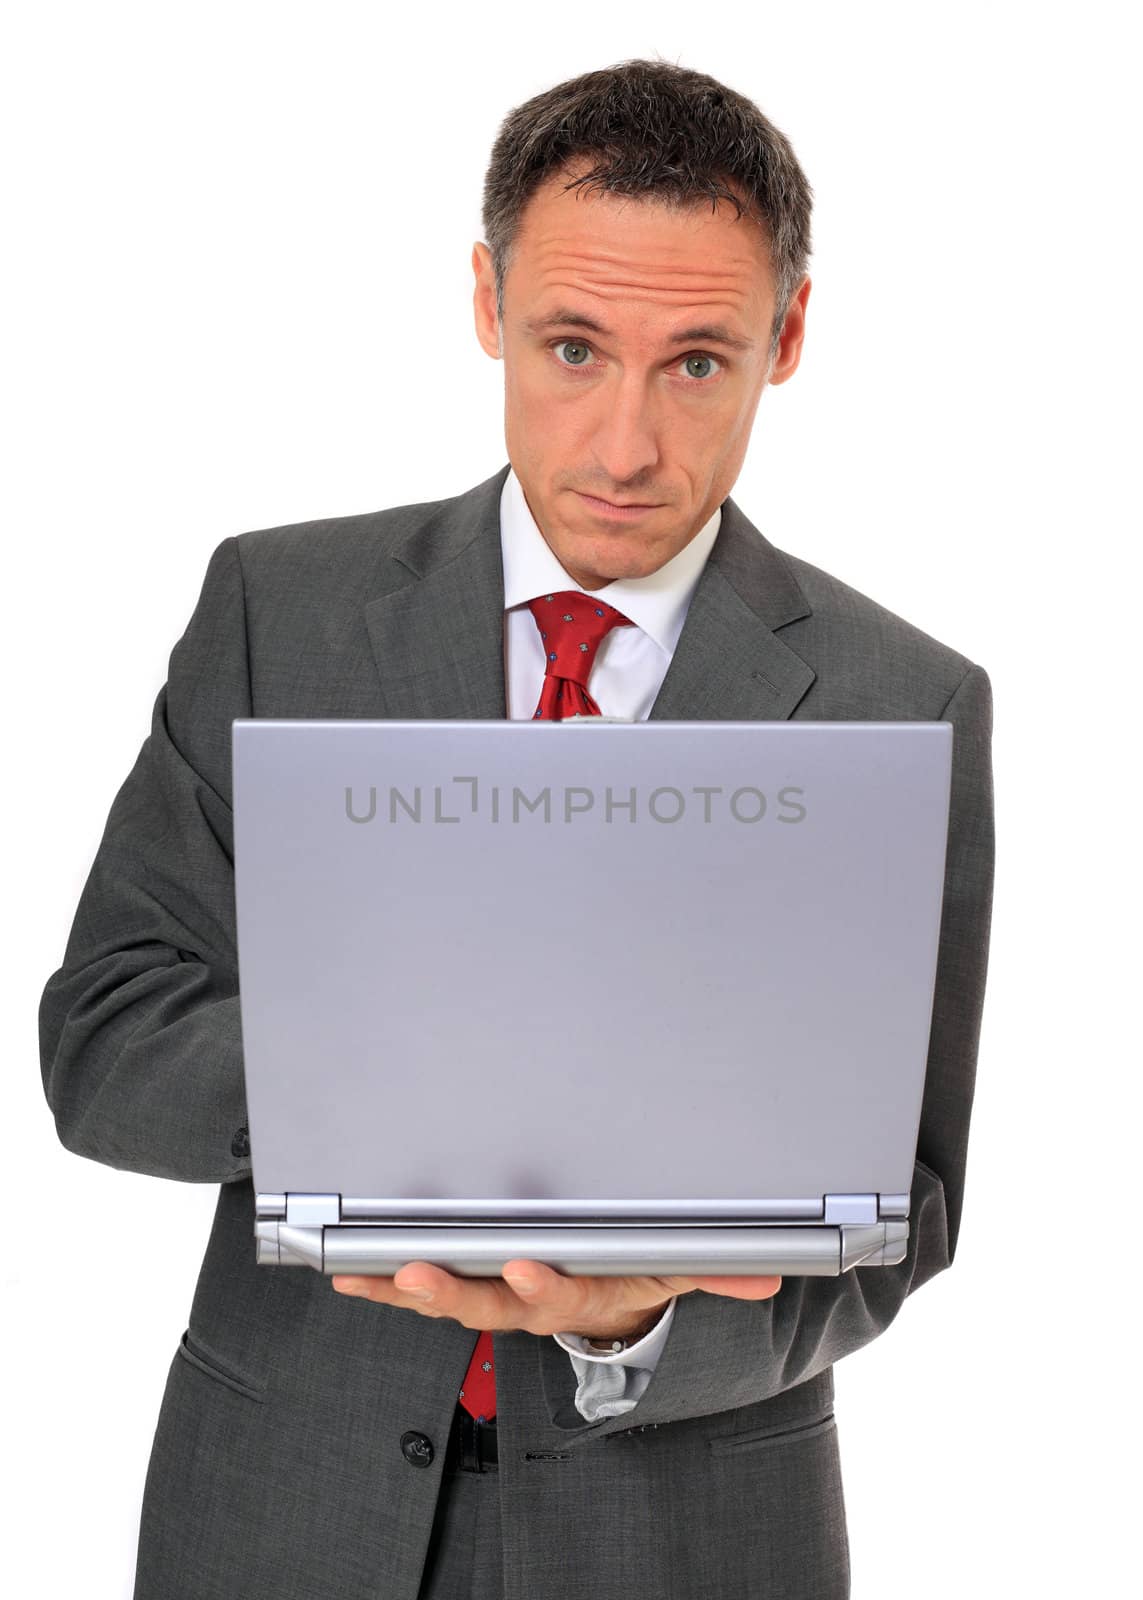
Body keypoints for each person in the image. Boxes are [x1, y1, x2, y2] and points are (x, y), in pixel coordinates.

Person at [38, 57, 994, 1600]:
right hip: (280, 1506)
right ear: (486, 302)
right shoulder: (282, 614)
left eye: (697, 363)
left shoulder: (901, 699)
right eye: (571, 347)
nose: (623, 446)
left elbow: (908, 1206)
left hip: (685, 1533)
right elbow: (106, 1046)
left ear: (788, 341)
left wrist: (636, 1321)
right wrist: (423, 1069)